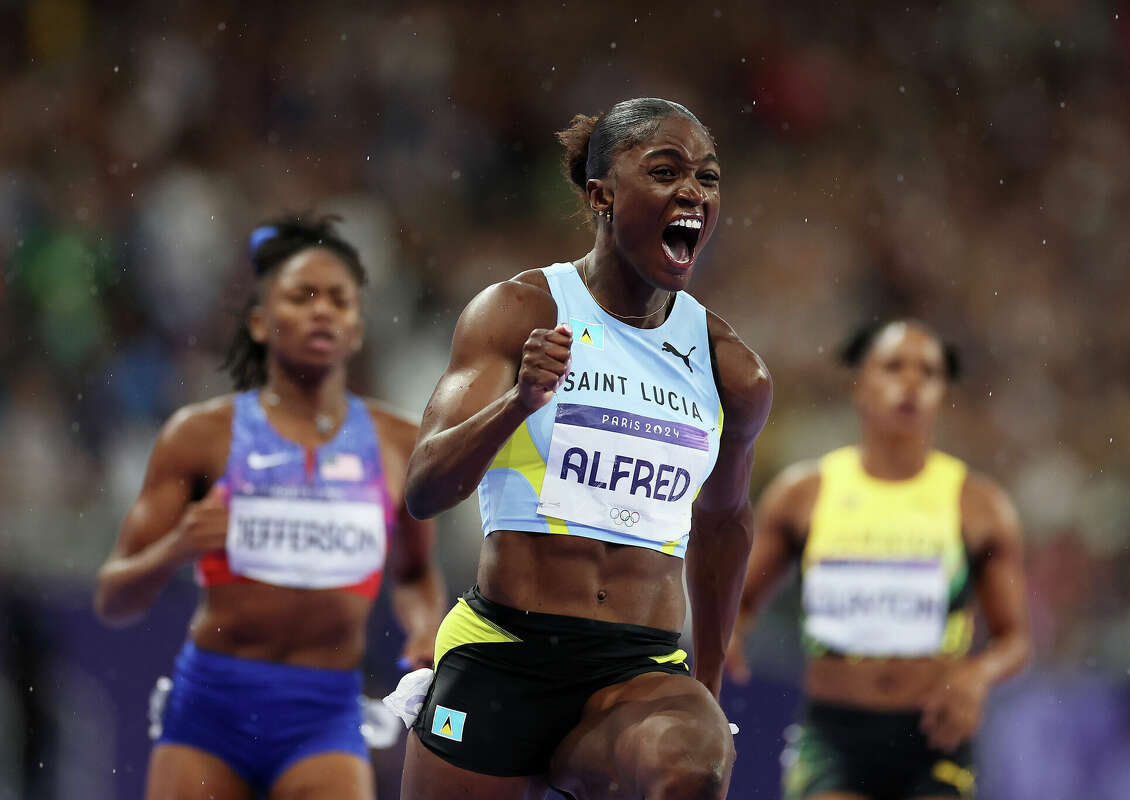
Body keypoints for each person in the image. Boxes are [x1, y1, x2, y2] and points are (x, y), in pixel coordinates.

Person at [399, 98, 772, 800]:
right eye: (666, 171)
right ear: (601, 195)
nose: (694, 190)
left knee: (691, 768)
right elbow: (424, 488)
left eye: (709, 178)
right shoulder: (519, 311)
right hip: (503, 652)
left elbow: (724, 524)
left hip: (637, 674)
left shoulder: (732, 371)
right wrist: (520, 402)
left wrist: (709, 690)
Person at [94, 215, 446, 800]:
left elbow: (413, 574)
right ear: (260, 322)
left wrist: (423, 627)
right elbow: (113, 598)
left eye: (339, 299)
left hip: (325, 713)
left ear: (357, 328)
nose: (322, 311)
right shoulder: (201, 435)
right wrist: (175, 549)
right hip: (210, 707)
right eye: (302, 296)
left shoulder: (398, 443)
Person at [726, 319, 1032, 800]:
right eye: (892, 367)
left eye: (928, 372)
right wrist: (731, 633)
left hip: (935, 734)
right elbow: (735, 600)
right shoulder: (803, 495)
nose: (910, 382)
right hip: (834, 734)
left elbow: (1014, 640)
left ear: (943, 392)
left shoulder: (979, 506)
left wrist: (977, 674)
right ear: (859, 385)